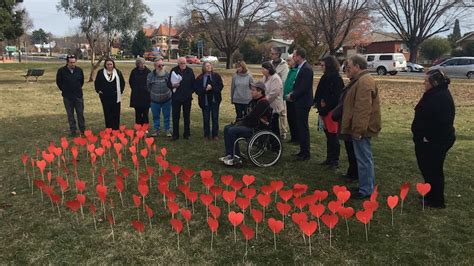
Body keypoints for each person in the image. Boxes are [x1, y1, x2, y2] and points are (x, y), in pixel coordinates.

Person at [412, 69, 455, 208]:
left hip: (435, 142)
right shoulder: (434, 94)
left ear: (434, 82)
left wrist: (427, 137)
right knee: (427, 168)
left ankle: (437, 200)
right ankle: (430, 193)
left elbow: (442, 122)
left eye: (426, 81)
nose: (423, 83)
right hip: (429, 140)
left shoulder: (440, 97)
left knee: (434, 170)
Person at [341, 55, 381, 199]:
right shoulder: (360, 80)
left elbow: (363, 109)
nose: (347, 70)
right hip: (360, 127)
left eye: (350, 67)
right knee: (363, 158)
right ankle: (365, 185)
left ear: (358, 67)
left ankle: (366, 190)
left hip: (362, 129)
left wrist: (358, 130)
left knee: (364, 159)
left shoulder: (364, 82)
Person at [220, 82, 272, 166]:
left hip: (256, 128)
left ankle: (237, 157)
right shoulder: (253, 101)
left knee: (232, 130)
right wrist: (238, 121)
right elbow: (247, 115)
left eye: (253, 90)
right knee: (227, 128)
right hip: (248, 125)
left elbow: (253, 116)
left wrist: (240, 123)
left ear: (260, 91)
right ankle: (229, 154)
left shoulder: (263, 102)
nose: (251, 92)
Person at [314, 56, 344, 169]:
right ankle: (329, 157)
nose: (321, 67)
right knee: (328, 135)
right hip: (324, 110)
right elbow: (319, 92)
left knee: (333, 136)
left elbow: (337, 97)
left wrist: (326, 106)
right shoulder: (324, 77)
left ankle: (334, 160)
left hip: (332, 111)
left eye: (323, 65)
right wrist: (318, 103)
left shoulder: (337, 79)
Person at [288, 47, 313, 161]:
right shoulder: (300, 68)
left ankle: (305, 153)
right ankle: (302, 151)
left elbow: (304, 87)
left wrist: (292, 95)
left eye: (294, 56)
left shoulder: (306, 69)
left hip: (303, 102)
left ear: (299, 56)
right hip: (299, 101)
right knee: (300, 127)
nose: (293, 58)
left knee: (303, 128)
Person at [55, 54, 85, 137]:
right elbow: (59, 82)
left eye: (74, 62)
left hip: (78, 96)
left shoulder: (79, 70)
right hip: (67, 97)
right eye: (71, 63)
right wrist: (64, 89)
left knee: (80, 113)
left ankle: (82, 130)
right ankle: (73, 130)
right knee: (70, 114)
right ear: (67, 62)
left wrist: (77, 88)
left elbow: (81, 81)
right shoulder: (61, 71)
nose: (73, 64)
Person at [167, 57, 195, 140]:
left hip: (187, 98)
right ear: (178, 63)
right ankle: (175, 135)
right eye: (181, 63)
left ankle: (187, 134)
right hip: (176, 98)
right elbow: (168, 83)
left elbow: (193, 84)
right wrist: (173, 86)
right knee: (175, 116)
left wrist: (189, 92)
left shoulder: (190, 71)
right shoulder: (173, 70)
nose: (183, 65)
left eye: (184, 63)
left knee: (187, 116)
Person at [195, 62, 224, 140]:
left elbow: (220, 86)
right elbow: (197, 90)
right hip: (205, 102)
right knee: (206, 119)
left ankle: (215, 135)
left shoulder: (216, 76)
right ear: (204, 67)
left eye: (210, 65)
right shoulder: (200, 78)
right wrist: (205, 89)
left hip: (215, 101)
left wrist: (212, 87)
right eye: (207, 66)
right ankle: (206, 134)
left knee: (215, 118)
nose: (209, 67)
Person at [94, 58, 125, 130]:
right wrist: (98, 90)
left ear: (113, 64)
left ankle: (116, 128)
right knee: (107, 112)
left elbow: (122, 83)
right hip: (105, 96)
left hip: (115, 96)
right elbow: (97, 83)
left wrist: (120, 91)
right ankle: (108, 128)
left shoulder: (118, 72)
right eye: (108, 64)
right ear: (105, 65)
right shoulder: (101, 72)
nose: (109, 66)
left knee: (116, 113)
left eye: (111, 64)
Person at [147, 58, 172, 137]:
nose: (161, 67)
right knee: (155, 117)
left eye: (162, 65)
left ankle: (167, 130)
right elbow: (148, 87)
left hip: (167, 100)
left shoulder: (168, 74)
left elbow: (171, 85)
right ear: (155, 66)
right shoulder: (150, 75)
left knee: (167, 116)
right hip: (154, 100)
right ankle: (156, 130)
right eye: (159, 65)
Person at [261, 62, 285, 138]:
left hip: (274, 105)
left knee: (274, 125)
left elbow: (274, 93)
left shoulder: (275, 78)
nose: (261, 70)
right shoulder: (265, 77)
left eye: (263, 69)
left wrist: (263, 101)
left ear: (268, 69)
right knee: (267, 125)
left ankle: (276, 144)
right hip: (267, 105)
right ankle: (268, 141)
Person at [270, 47, 289, 139]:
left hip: (280, 92)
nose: (271, 55)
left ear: (277, 54)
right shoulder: (270, 63)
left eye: (273, 53)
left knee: (282, 112)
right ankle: (272, 129)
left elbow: (284, 80)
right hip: (270, 91)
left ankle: (283, 131)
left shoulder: (284, 65)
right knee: (272, 111)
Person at [129, 57, 151, 126]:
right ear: (137, 64)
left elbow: (150, 82)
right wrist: (135, 88)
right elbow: (131, 81)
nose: (142, 65)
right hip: (136, 95)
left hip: (146, 95)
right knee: (138, 112)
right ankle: (138, 126)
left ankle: (145, 126)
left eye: (143, 63)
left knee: (145, 112)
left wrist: (146, 89)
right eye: (140, 63)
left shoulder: (148, 72)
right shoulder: (134, 71)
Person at [283, 55, 299, 144]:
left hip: (294, 99)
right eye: (287, 60)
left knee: (295, 119)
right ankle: (293, 137)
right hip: (288, 99)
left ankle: (297, 138)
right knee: (290, 118)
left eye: (289, 60)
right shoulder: (290, 70)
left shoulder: (297, 71)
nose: (288, 62)